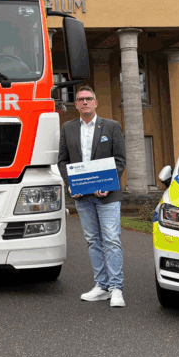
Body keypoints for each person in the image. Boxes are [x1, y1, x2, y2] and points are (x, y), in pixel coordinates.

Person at [58, 86, 127, 308]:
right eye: (80, 100)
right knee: (92, 241)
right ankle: (101, 286)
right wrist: (70, 185)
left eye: (89, 99)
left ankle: (116, 288)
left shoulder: (112, 126)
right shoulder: (67, 128)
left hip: (107, 196)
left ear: (96, 103)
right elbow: (62, 161)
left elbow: (119, 160)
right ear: (76, 104)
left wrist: (107, 185)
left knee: (111, 239)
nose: (85, 102)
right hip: (82, 195)